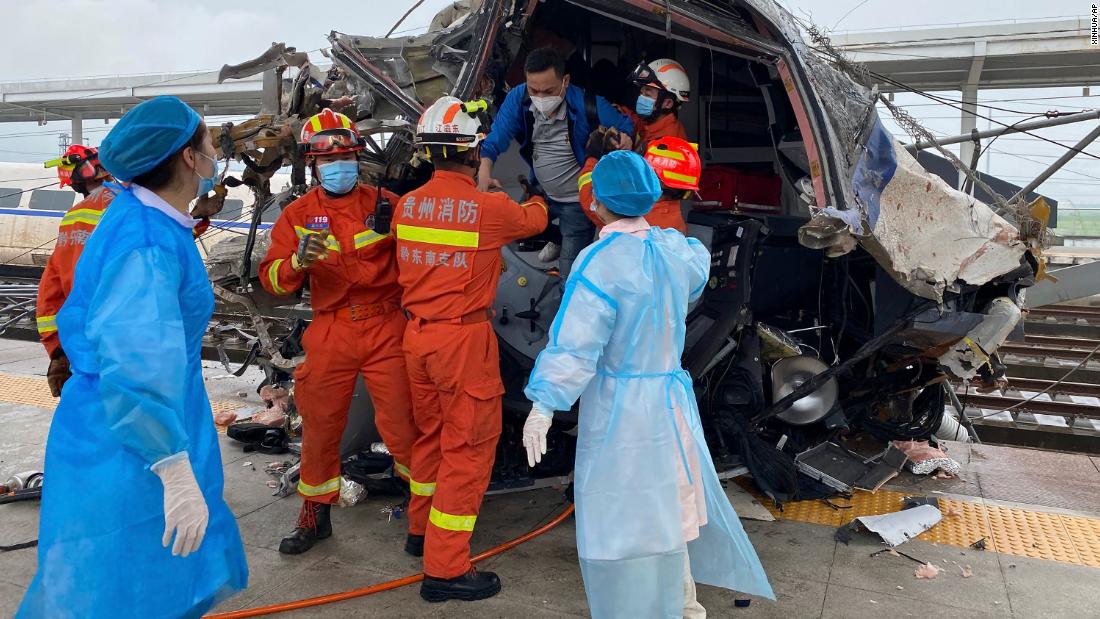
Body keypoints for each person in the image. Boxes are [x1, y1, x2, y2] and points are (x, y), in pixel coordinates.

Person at [16, 96, 248, 619]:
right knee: (123, 588)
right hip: (134, 442)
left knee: (141, 581)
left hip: (143, 425)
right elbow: (135, 364)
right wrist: (171, 466)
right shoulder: (147, 243)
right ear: (189, 157)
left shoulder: (149, 221)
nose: (214, 153)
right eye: (208, 143)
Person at [520, 150, 773, 618]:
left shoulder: (600, 264)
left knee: (625, 521)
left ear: (595, 200)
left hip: (622, 411)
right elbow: (694, 285)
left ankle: (643, 608)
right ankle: (683, 607)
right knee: (668, 515)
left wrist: (544, 403)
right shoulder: (678, 251)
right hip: (670, 404)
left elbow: (576, 345)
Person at [396, 96, 548, 602]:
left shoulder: (407, 206)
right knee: (468, 450)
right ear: (474, 147)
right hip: (462, 341)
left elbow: (448, 224)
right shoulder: (490, 208)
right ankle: (445, 570)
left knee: (432, 437)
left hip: (416, 337)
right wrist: (532, 195)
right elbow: (534, 222)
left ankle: (420, 534)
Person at [258, 108, 417, 555]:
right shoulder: (298, 215)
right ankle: (314, 517)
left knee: (404, 425)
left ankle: (423, 522)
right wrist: (296, 264)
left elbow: (421, 257)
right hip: (332, 327)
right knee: (321, 427)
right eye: (328, 160)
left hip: (387, 323)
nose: (338, 166)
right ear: (313, 164)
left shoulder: (386, 204)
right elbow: (271, 281)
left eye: (345, 157)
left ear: (358, 158)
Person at [37, 149, 224, 398]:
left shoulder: (74, 216)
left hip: (85, 342)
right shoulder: (136, 205)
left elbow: (51, 287)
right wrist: (196, 218)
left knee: (94, 418)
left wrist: (57, 353)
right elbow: (159, 253)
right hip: (137, 345)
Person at [477, 46, 632, 278]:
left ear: (565, 81)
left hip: (576, 202)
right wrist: (484, 173)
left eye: (548, 91)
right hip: (542, 194)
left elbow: (626, 127)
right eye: (534, 90)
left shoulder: (589, 105)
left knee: (570, 274)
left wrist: (625, 139)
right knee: (513, 230)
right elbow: (494, 140)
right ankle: (556, 237)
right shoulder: (518, 98)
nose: (540, 98)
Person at [578, 133, 700, 235]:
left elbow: (590, 197)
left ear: (652, 179)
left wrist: (593, 157)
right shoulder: (673, 218)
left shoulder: (635, 212)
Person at [625, 58, 690, 149]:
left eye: (647, 95)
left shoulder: (667, 144)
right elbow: (635, 121)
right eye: (641, 93)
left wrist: (625, 151)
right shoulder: (651, 122)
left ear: (667, 103)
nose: (641, 99)